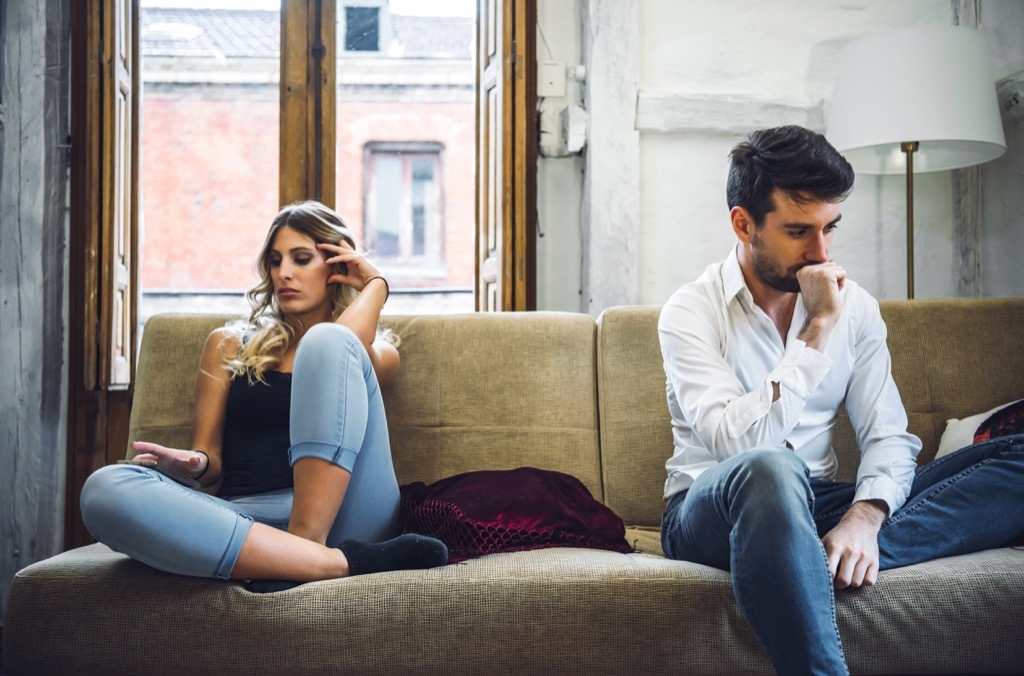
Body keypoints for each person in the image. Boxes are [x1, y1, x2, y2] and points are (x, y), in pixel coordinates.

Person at [657, 125, 1024, 675]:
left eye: (830, 228)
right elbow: (738, 443)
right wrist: (817, 329)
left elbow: (888, 438)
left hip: (816, 502)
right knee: (770, 466)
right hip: (708, 512)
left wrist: (865, 516)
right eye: (799, 231)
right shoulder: (690, 311)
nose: (821, 253)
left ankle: (805, 556)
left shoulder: (858, 309)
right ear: (743, 223)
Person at [80, 200, 448, 593]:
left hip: (348, 514)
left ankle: (304, 543)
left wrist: (376, 284)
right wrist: (194, 465)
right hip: (247, 517)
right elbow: (212, 462)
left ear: (338, 265)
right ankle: (332, 563)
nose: (283, 273)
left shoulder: (377, 352)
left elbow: (339, 344)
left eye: (301, 259)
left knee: (325, 340)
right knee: (104, 490)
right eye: (275, 261)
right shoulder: (229, 344)